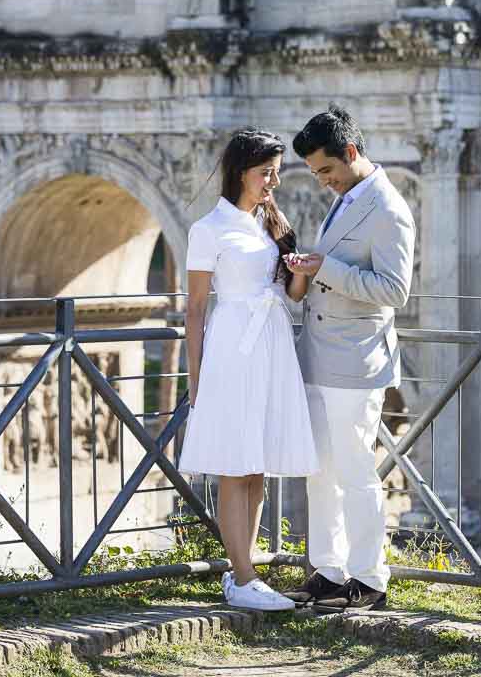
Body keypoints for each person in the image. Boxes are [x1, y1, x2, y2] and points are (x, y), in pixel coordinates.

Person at [280, 105, 416, 613]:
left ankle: (369, 579)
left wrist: (324, 268)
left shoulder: (388, 208)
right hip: (320, 355)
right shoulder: (347, 197)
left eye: (327, 171)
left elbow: (395, 290)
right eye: (316, 173)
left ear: (351, 154)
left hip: (357, 362)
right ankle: (328, 571)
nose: (322, 182)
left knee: (358, 474)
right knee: (320, 473)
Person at [180, 129, 319, 612]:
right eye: (267, 171)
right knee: (234, 466)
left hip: (273, 343)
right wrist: (196, 381)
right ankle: (240, 577)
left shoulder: (272, 223)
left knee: (257, 465)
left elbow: (292, 295)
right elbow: (195, 310)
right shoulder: (208, 229)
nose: (274, 181)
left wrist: (301, 270)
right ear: (242, 171)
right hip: (231, 349)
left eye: (277, 171)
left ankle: (249, 572)